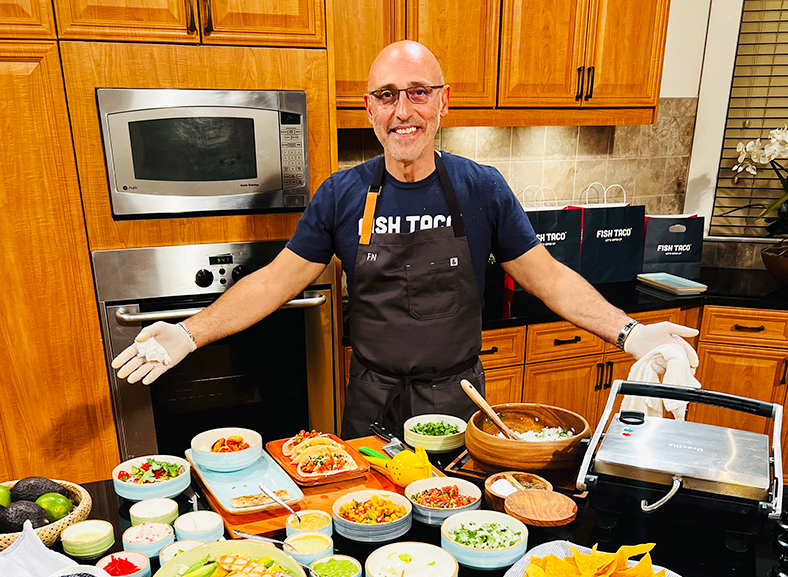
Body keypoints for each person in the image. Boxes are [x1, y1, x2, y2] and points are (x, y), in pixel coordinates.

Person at [112, 40, 698, 438]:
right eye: (387, 96)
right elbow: (274, 281)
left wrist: (631, 332)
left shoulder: (482, 188)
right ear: (370, 109)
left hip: (460, 398)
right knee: (371, 528)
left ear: (442, 101)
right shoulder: (341, 193)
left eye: (418, 92)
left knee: (458, 529)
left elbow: (547, 277)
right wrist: (189, 334)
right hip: (370, 401)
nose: (403, 111)